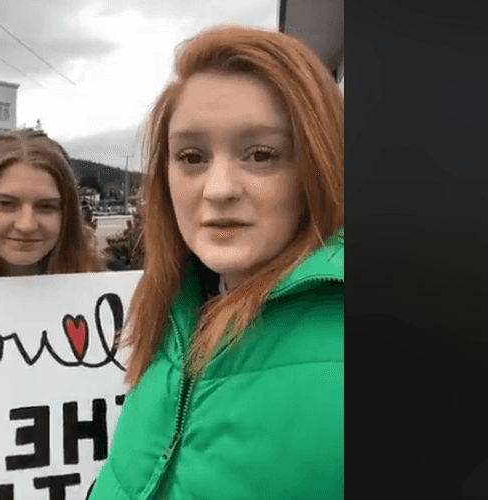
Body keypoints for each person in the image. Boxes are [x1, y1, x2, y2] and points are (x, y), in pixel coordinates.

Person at [89, 25, 343, 499]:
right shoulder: (174, 311)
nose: (219, 188)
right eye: (191, 156)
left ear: (319, 165)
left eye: (261, 155)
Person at [0, 128, 105, 277]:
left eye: (46, 207)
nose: (26, 226)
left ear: (67, 214)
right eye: (6, 204)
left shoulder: (106, 289)